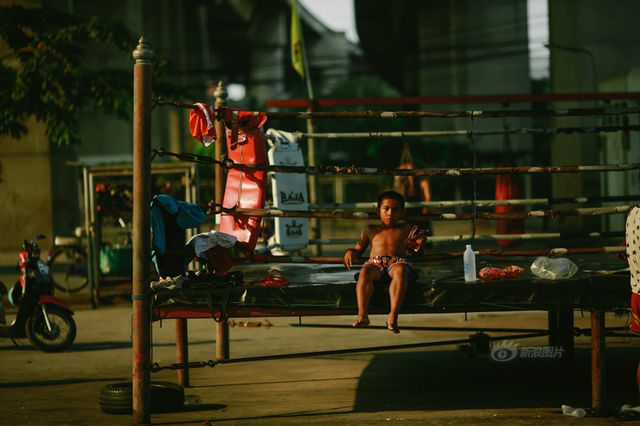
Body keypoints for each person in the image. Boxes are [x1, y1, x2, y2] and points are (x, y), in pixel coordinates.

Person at [343, 190, 426, 334]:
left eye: (395, 210)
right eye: (386, 209)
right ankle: (362, 314)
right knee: (365, 271)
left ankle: (393, 315)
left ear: (402, 213)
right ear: (378, 211)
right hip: (375, 264)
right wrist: (350, 252)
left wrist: (419, 244)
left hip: (397, 262)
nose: (390, 213)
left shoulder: (405, 228)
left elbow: (416, 252)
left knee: (401, 270)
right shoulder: (370, 229)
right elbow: (358, 249)